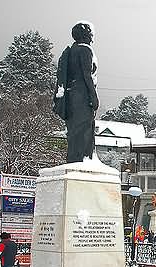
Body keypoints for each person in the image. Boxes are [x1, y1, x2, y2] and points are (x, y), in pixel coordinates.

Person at [54, 22, 99, 163]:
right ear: (86, 34)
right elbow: (87, 76)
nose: (92, 36)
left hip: (71, 96)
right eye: (91, 33)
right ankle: (83, 159)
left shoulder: (71, 50)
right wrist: (94, 96)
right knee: (84, 129)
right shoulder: (85, 50)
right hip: (83, 96)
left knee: (74, 130)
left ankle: (74, 158)